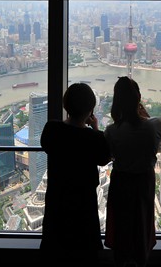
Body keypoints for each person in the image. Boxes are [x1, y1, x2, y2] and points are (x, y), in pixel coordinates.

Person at [40, 82, 111, 266]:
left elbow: (47, 145)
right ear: (90, 110)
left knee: (55, 250)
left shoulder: (51, 129)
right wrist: (95, 129)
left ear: (65, 105)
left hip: (57, 200)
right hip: (83, 204)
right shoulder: (93, 138)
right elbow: (103, 158)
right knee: (84, 253)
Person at [104, 76, 161, 267]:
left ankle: (121, 259)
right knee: (142, 221)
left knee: (122, 224)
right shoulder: (154, 125)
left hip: (121, 181)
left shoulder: (111, 130)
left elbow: (109, 155)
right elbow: (160, 145)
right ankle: (141, 259)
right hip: (143, 181)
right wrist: (146, 116)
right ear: (138, 97)